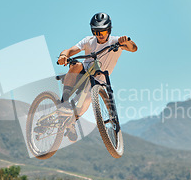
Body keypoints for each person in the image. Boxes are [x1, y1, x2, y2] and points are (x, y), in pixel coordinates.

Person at [56, 12, 137, 141]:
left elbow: (133, 48)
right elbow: (71, 50)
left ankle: (71, 123)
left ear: (109, 30)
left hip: (97, 81)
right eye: (96, 31)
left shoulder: (115, 41)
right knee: (75, 65)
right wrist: (63, 56)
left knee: (87, 100)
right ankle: (63, 103)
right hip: (83, 73)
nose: (100, 35)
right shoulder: (88, 41)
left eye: (103, 32)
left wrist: (126, 41)